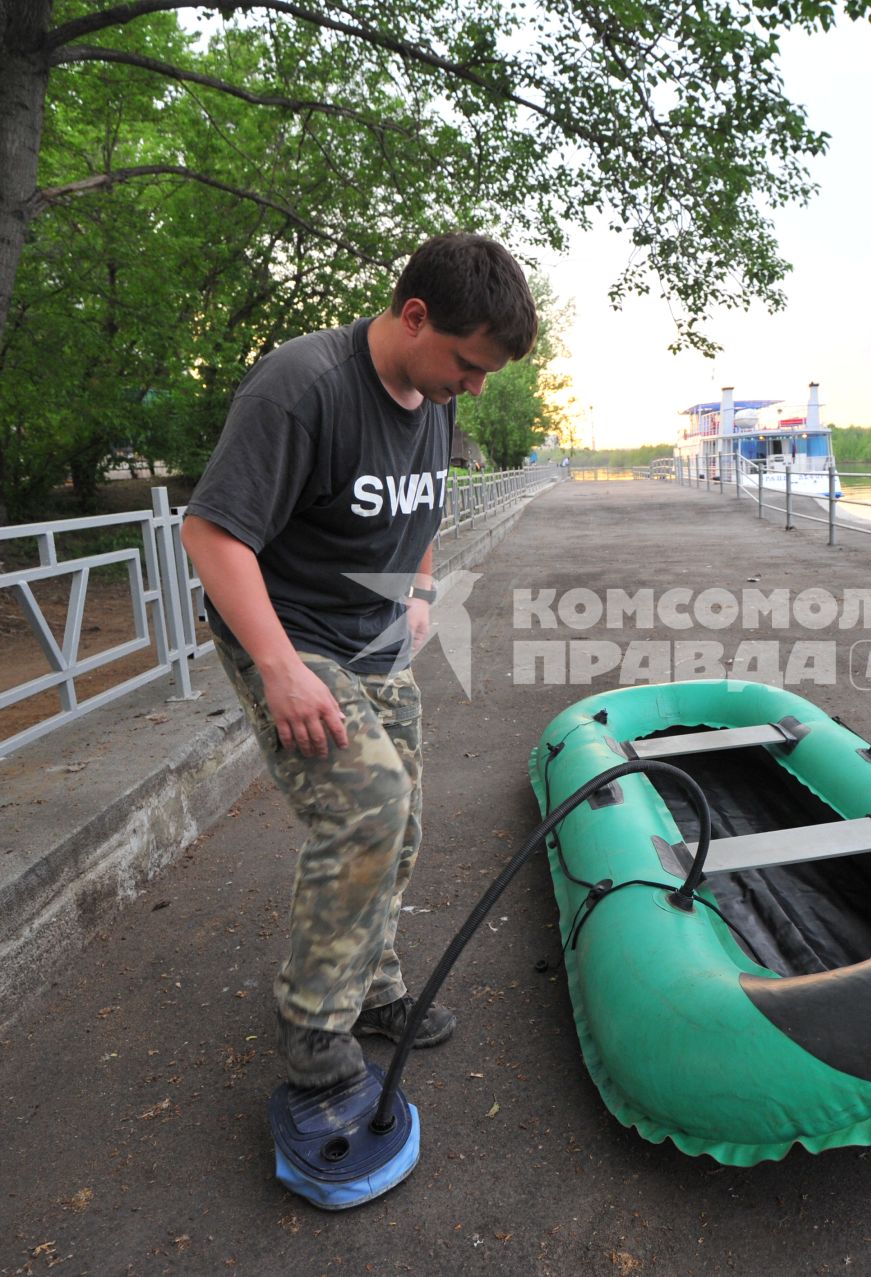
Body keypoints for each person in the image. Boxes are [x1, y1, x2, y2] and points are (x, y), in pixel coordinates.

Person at [181, 233, 538, 1089]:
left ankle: (371, 983)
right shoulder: (304, 387)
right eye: (468, 363)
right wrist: (278, 668)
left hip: (373, 637)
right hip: (291, 635)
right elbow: (211, 531)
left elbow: (421, 505)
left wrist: (417, 590)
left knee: (403, 819)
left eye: (487, 372)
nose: (476, 386)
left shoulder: (436, 394)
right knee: (368, 804)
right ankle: (313, 1028)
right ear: (413, 316)